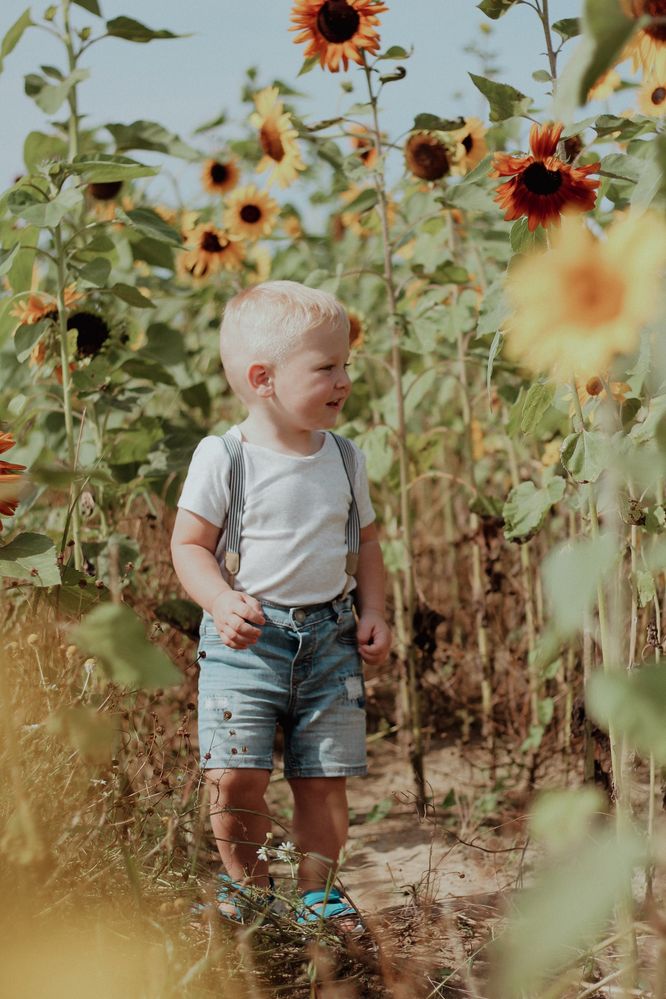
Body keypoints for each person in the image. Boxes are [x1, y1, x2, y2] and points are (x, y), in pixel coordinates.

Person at [170, 280, 391, 929]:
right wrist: (218, 598)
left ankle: (319, 890)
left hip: (330, 636)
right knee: (235, 776)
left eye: (346, 363)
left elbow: (368, 543)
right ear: (263, 378)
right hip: (248, 635)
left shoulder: (345, 458)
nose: (344, 379)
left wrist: (373, 609)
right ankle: (249, 887)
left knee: (323, 778)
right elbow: (188, 544)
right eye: (327, 366)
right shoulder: (224, 456)